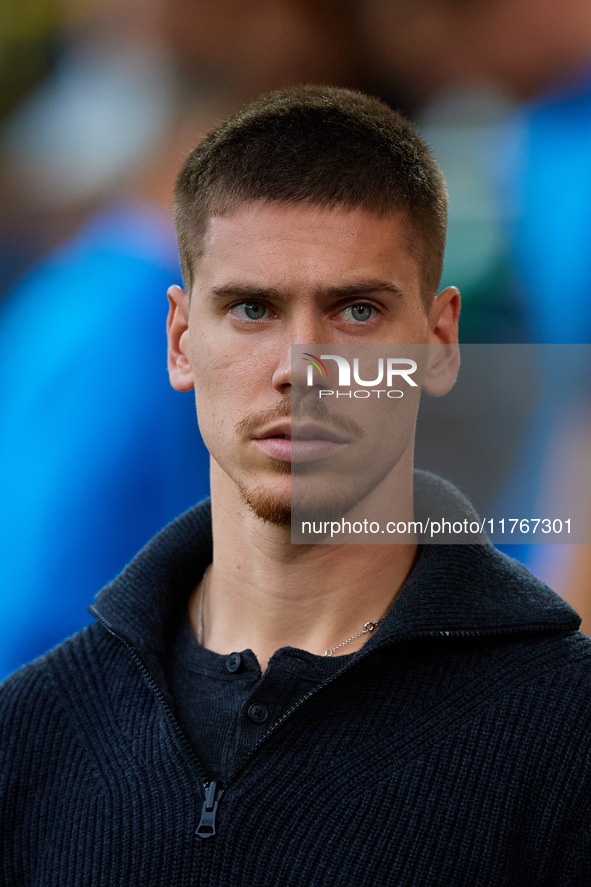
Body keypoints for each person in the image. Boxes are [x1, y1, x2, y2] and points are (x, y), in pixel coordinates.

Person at [2, 86, 591, 886]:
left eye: (355, 311)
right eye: (252, 308)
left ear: (440, 341)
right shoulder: (29, 736)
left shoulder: (567, 732)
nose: (300, 369)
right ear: (180, 340)